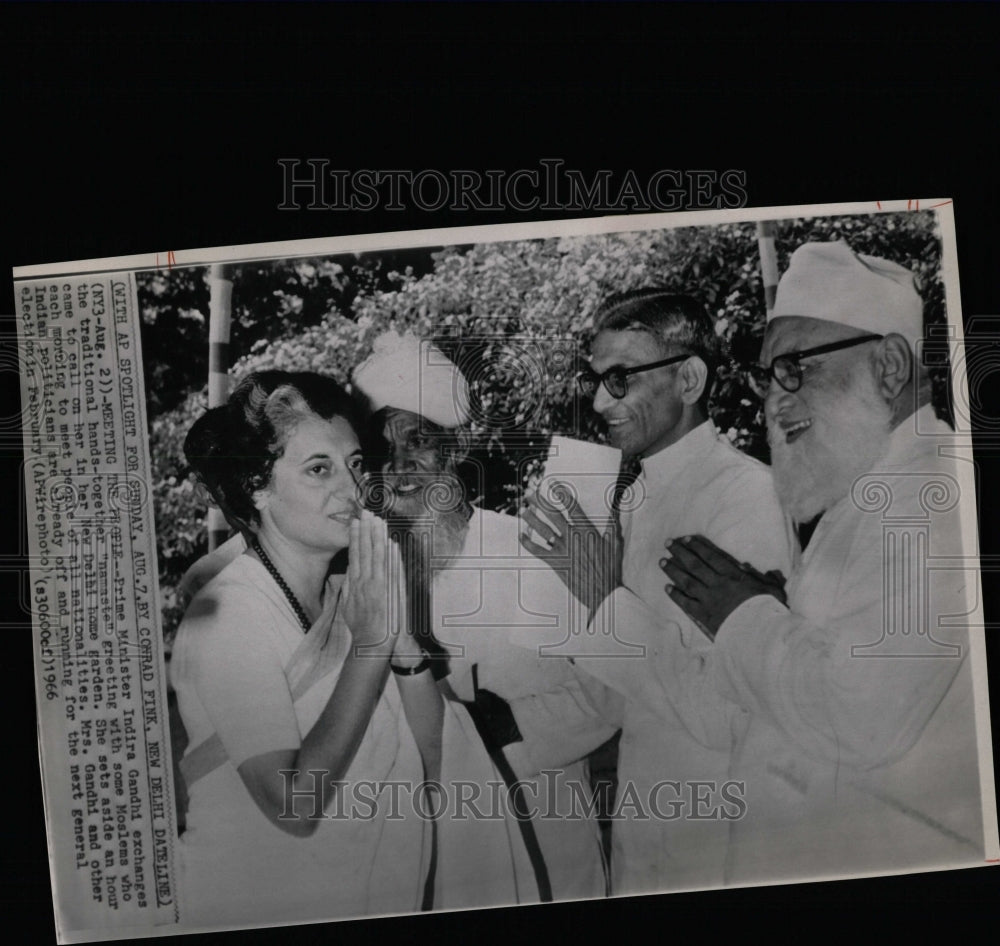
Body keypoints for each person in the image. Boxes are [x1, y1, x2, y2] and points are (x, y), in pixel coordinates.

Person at [657, 241, 985, 883]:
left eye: (796, 368)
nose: (773, 402)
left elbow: (861, 717)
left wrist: (743, 613)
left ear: (890, 367)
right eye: (767, 377)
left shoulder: (926, 499)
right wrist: (773, 614)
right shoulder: (874, 493)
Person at [519, 290, 791, 895]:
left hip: (722, 844)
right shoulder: (633, 497)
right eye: (596, 380)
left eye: (620, 379)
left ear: (689, 377)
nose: (597, 400)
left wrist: (601, 594)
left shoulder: (748, 499)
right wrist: (492, 734)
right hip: (646, 838)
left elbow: (731, 715)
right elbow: (617, 693)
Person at [352, 329, 621, 902]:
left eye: (418, 441)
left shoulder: (530, 551)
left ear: (454, 446)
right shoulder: (359, 579)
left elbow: (606, 694)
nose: (399, 466)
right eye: (382, 450)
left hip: (548, 850)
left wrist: (503, 730)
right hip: (422, 862)